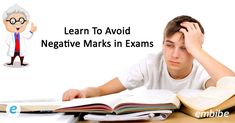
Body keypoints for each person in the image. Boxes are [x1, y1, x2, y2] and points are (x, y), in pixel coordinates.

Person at [63, 15, 235, 101]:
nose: (175, 54)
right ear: (162, 44)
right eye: (169, 45)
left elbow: (232, 85)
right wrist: (83, 92)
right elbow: (102, 91)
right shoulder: (151, 64)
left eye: (184, 48)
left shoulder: (203, 70)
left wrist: (196, 49)